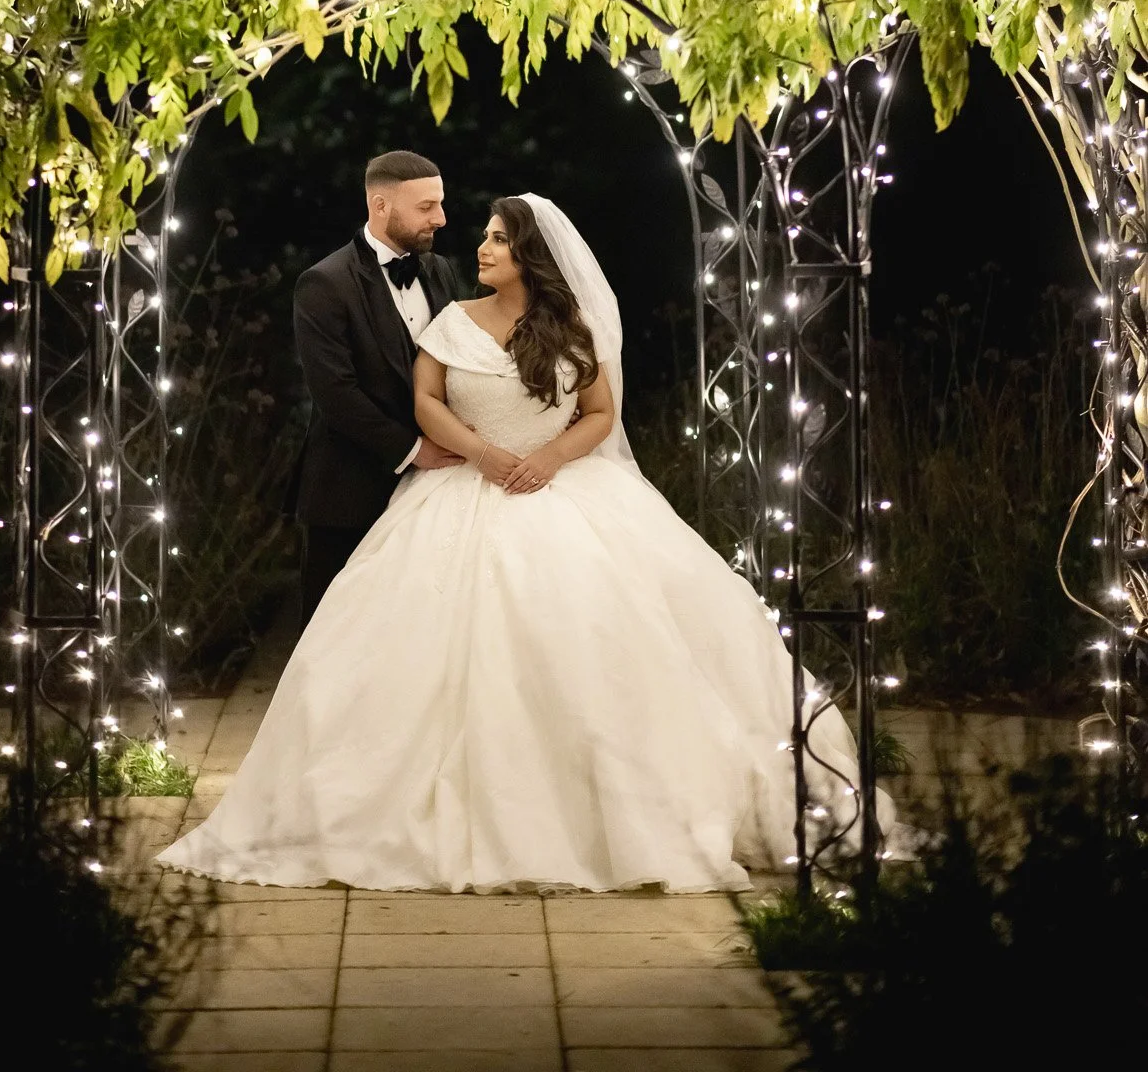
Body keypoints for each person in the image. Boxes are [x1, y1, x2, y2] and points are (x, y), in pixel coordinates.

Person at [159, 192, 880, 892]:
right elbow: (426, 402)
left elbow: (599, 412)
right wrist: (482, 454)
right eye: (487, 236)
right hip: (460, 492)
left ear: (530, 254)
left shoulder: (572, 328)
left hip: (561, 491)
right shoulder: (452, 319)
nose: (482, 245)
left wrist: (551, 458)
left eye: (499, 239)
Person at [289, 150, 462, 629]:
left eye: (440, 204)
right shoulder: (324, 283)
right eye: (426, 207)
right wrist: (413, 450)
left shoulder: (441, 271)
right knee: (333, 635)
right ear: (380, 206)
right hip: (348, 490)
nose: (441, 219)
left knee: (414, 633)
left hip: (435, 492)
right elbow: (335, 394)